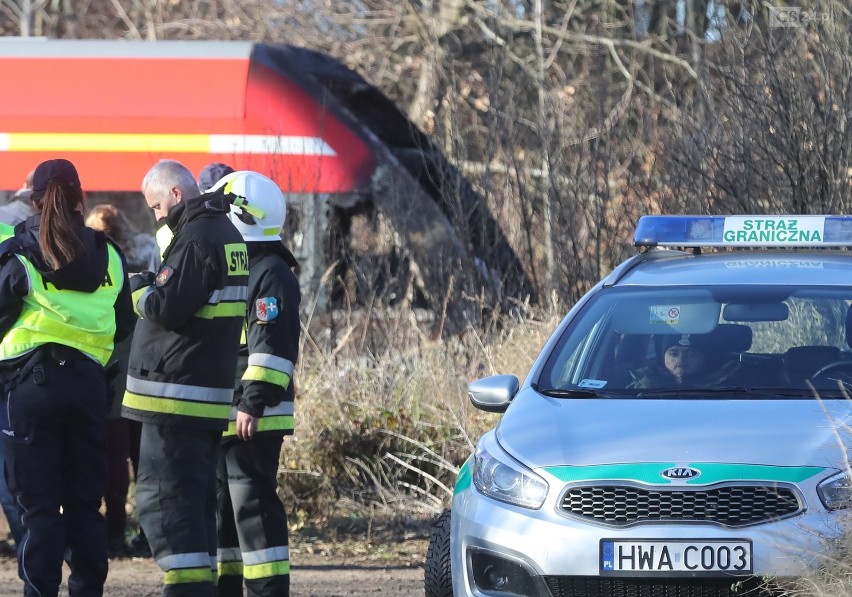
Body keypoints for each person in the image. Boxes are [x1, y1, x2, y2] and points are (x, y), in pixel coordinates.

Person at [0, 158, 135, 596]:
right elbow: (124, 324)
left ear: (34, 201)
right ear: (81, 197)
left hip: (30, 390)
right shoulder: (111, 255)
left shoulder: (21, 251)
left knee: (36, 507)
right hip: (89, 389)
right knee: (84, 504)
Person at [121, 159, 248, 595]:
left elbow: (169, 308)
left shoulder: (196, 238)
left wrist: (140, 287)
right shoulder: (225, 234)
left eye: (156, 206)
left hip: (176, 398)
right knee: (195, 504)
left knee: (167, 505)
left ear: (175, 194)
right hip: (202, 395)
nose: (156, 216)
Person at [210, 171, 300, 597]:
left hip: (253, 413)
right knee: (225, 511)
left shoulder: (271, 272)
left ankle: (267, 592)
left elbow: (271, 345)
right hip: (231, 408)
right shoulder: (245, 264)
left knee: (253, 509)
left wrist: (253, 401)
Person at [628, 333, 737, 388]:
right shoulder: (642, 386)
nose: (681, 360)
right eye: (674, 354)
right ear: (664, 357)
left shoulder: (728, 388)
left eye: (691, 354)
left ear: (704, 359)